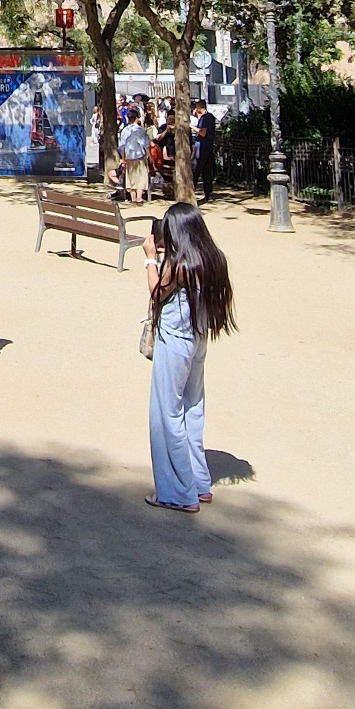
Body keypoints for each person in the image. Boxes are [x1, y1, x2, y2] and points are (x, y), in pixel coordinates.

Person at [143, 200, 234, 513]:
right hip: (197, 337)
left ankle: (178, 492)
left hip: (175, 340)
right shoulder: (213, 260)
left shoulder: (181, 267)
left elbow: (156, 293)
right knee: (193, 409)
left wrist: (150, 260)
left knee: (166, 413)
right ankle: (198, 482)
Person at [117, 105, 150, 205]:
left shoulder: (124, 131)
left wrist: (123, 158)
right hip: (140, 157)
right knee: (141, 177)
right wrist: (149, 157)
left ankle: (133, 197)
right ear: (137, 118)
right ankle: (139, 197)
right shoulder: (140, 130)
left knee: (130, 177)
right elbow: (146, 145)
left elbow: (122, 146)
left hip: (129, 157)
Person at [194, 103, 219, 203]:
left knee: (196, 169)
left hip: (201, 146)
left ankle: (191, 191)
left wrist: (191, 126)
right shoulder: (211, 117)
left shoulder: (205, 118)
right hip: (209, 145)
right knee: (206, 171)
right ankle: (208, 193)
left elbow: (202, 132)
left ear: (199, 108)